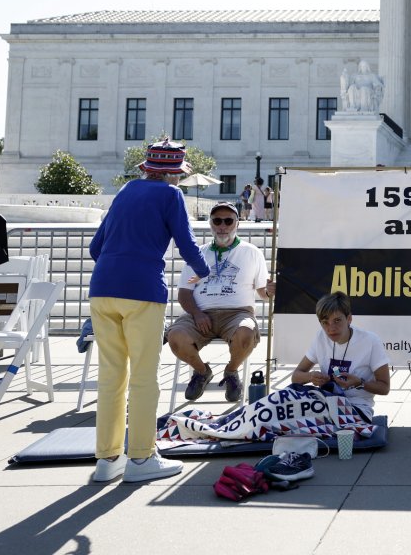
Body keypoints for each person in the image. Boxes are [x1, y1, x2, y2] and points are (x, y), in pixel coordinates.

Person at [88, 139, 211, 484]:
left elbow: (95, 247)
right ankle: (142, 457)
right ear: (174, 174)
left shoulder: (127, 190)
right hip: (143, 290)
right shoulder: (171, 196)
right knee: (144, 376)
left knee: (111, 376)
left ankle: (107, 459)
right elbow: (186, 242)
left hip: (102, 290)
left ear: (146, 168)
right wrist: (204, 270)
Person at [166, 202, 275, 403]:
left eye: (228, 221)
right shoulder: (199, 253)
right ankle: (201, 372)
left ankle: (231, 372)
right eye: (217, 221)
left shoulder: (252, 252)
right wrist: (197, 314)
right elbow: (184, 293)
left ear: (237, 224)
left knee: (246, 332)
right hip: (200, 313)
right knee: (174, 337)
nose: (222, 226)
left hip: (237, 313)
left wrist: (269, 291)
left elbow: (262, 292)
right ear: (211, 224)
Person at [291, 293, 391, 417]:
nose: (331, 328)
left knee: (332, 427)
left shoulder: (370, 341)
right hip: (326, 402)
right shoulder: (320, 337)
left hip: (357, 407)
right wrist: (311, 377)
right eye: (325, 322)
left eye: (337, 320)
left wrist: (360, 383)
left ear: (349, 319)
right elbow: (295, 377)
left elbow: (385, 387)